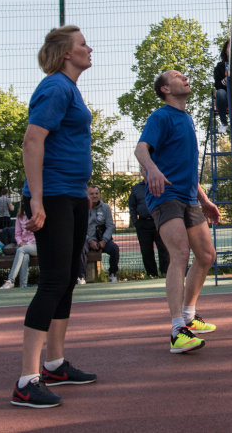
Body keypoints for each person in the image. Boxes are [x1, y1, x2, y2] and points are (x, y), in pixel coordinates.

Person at [11, 25, 97, 409]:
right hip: (54, 195)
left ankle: (55, 364)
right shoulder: (56, 87)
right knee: (52, 282)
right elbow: (32, 141)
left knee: (66, 282)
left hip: (73, 195)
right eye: (83, 44)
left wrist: (80, 195)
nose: (89, 48)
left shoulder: (70, 89)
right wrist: (37, 200)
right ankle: (26, 380)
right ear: (66, 53)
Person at [135, 70, 222, 353]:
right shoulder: (160, 117)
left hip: (188, 197)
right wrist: (152, 169)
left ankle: (188, 316)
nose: (184, 77)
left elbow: (186, 168)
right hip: (165, 195)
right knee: (180, 254)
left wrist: (204, 200)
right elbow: (141, 149)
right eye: (176, 76)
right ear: (165, 89)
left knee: (206, 255)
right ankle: (176, 330)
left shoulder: (187, 119)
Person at [78, 185, 119, 284]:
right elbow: (80, 228)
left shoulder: (105, 207)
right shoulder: (81, 207)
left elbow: (110, 226)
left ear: (99, 195)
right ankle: (81, 277)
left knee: (114, 248)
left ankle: (112, 274)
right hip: (87, 240)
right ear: (87, 195)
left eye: (96, 193)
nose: (94, 196)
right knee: (80, 249)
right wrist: (90, 241)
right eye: (91, 194)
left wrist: (104, 240)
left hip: (102, 239)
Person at [129, 178, 169, 278]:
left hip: (159, 222)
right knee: (146, 251)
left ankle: (165, 273)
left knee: (164, 249)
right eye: (144, 170)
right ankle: (152, 274)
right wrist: (135, 221)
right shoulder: (136, 188)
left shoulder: (161, 185)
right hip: (143, 223)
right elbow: (132, 206)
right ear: (142, 172)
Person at [1, 207, 37, 289]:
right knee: (25, 256)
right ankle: (23, 285)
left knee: (21, 250)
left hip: (35, 245)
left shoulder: (37, 214)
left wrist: (26, 244)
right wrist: (20, 242)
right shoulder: (19, 216)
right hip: (23, 245)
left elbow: (38, 234)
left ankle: (11, 280)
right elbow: (17, 234)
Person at [213, 39, 230, 132]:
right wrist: (225, 80)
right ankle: (224, 123)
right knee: (220, 92)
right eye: (229, 47)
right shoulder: (219, 66)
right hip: (225, 98)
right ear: (225, 50)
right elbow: (217, 85)